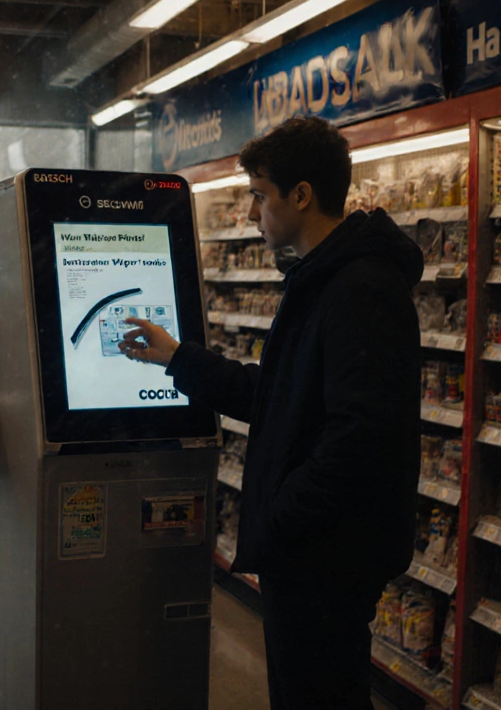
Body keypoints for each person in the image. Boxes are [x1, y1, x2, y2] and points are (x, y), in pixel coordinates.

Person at [118, 116, 424, 710]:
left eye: (260, 195)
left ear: (302, 195)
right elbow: (279, 396)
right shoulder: (320, 279)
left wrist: (282, 515)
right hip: (312, 552)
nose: (253, 212)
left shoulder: (360, 289)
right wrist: (179, 358)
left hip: (325, 556)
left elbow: (361, 436)